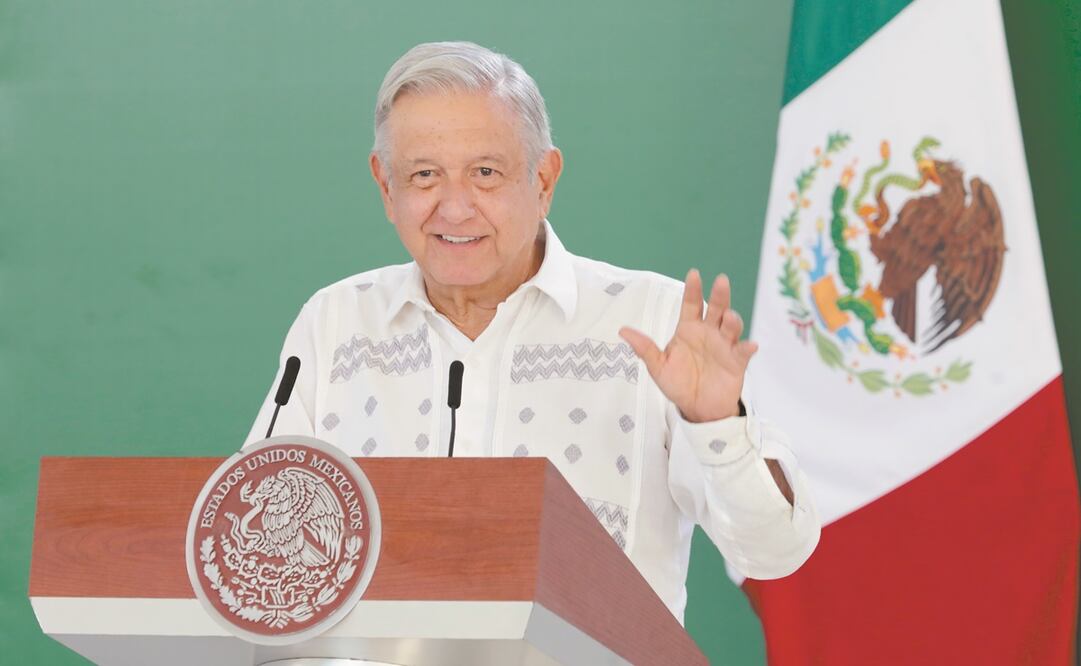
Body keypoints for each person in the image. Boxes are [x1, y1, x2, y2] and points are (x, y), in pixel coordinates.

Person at [245, 40, 819, 623]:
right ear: (385, 187)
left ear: (543, 180)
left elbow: (775, 552)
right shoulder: (336, 321)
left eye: (486, 174)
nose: (454, 208)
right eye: (424, 176)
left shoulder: (654, 322)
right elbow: (246, 544)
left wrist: (717, 426)